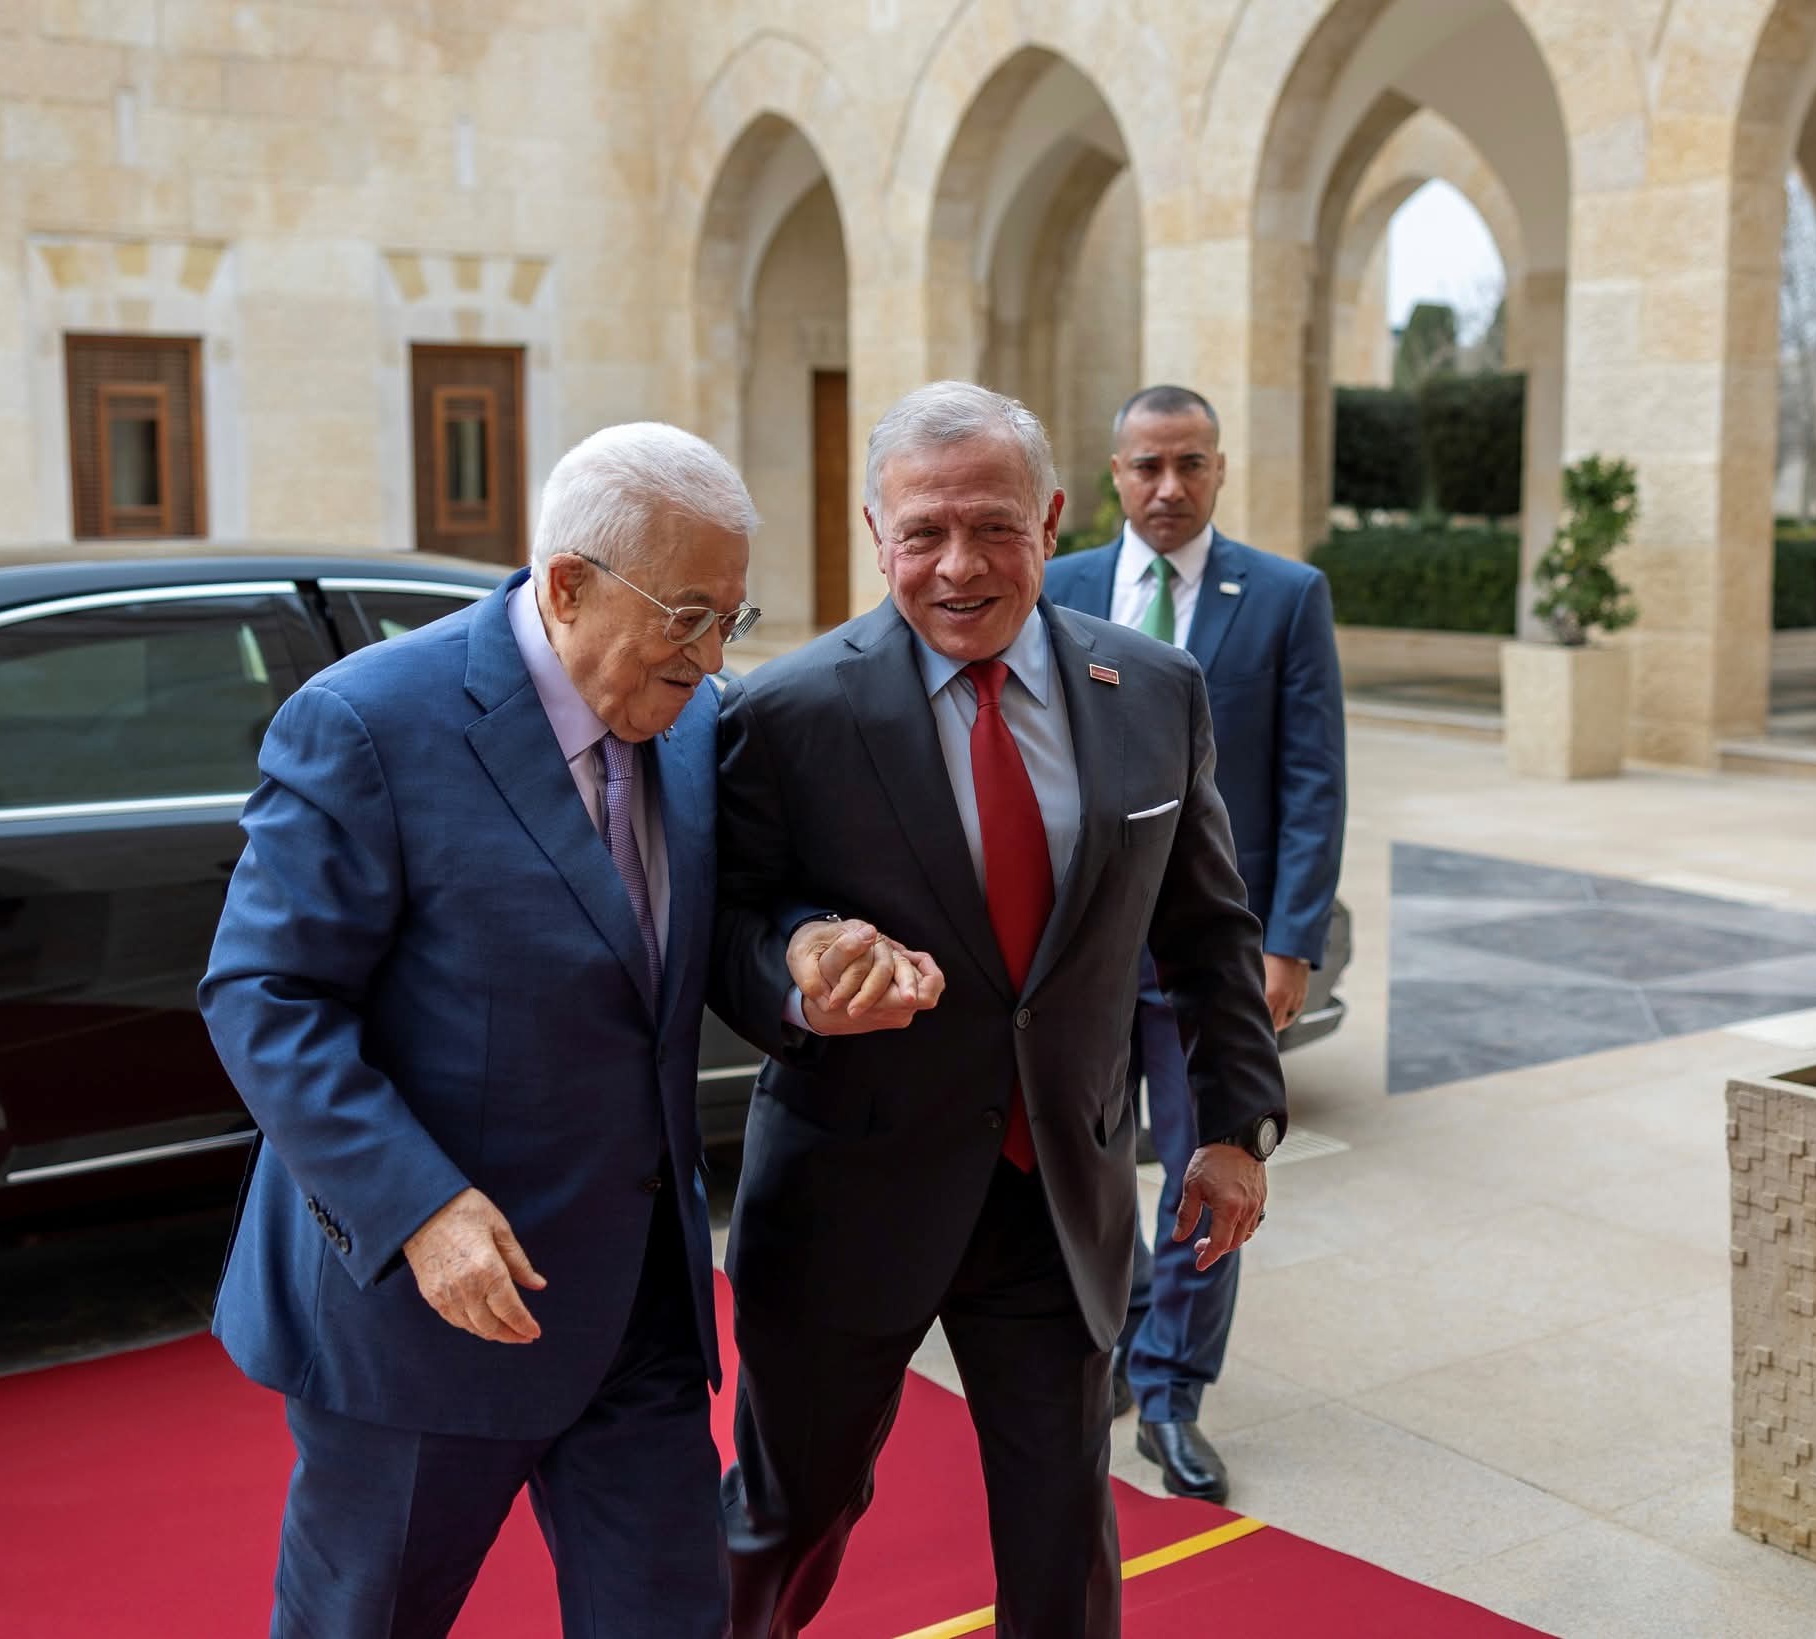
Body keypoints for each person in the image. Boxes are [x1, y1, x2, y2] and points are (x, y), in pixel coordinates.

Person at [709, 380, 1287, 1639]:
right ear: (876, 533)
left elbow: (1207, 927)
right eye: (922, 532)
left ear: (1052, 518)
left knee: (1059, 1535)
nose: (958, 566)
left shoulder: (1154, 688)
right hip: (849, 1199)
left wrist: (1233, 1127)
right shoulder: (786, 713)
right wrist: (802, 965)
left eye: (992, 527)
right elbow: (728, 929)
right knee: (788, 1517)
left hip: (1055, 1192)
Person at [199, 423, 761, 1638]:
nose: (713, 657)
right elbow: (265, 994)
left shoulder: (688, 719)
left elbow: (718, 934)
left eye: (731, 617)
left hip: (638, 1313)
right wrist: (418, 1208)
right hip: (424, 1317)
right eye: (688, 615)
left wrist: (814, 950)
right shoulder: (365, 721)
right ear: (567, 585)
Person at [1045, 384, 1347, 1503]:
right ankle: (1123, 1328)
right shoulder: (1059, 587)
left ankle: (1172, 1391)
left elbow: (1312, 780)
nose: (1167, 487)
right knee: (1081, 1161)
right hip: (1079, 950)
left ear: (1218, 469)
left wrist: (1291, 941)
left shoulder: (1284, 596)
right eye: (1147, 465)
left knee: (1209, 1164)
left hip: (1210, 953)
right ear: (1114, 474)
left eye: (1190, 464)